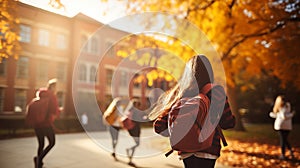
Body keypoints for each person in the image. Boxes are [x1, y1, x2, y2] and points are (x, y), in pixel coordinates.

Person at [149, 55, 235, 168]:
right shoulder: (216, 92)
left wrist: (181, 132)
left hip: (186, 150)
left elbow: (159, 126)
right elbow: (228, 123)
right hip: (209, 149)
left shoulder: (180, 94)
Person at [32, 78, 60, 168]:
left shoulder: (41, 95)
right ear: (53, 87)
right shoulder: (52, 96)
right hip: (46, 124)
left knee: (41, 144)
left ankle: (38, 162)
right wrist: (59, 111)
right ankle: (39, 159)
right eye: (56, 87)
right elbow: (54, 111)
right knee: (52, 142)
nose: (57, 89)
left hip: (37, 124)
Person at [269, 95, 295, 160]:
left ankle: (284, 154)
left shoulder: (283, 106)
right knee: (284, 139)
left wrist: (291, 114)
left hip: (281, 125)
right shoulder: (287, 105)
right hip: (286, 126)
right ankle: (289, 151)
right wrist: (292, 114)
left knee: (283, 140)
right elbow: (283, 115)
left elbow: (283, 116)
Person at [123, 99, 147, 166]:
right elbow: (140, 119)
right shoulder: (136, 111)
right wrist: (145, 118)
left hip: (130, 129)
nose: (139, 106)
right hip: (135, 129)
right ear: (136, 105)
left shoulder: (129, 111)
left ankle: (130, 158)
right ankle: (130, 157)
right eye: (138, 105)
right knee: (137, 144)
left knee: (135, 143)